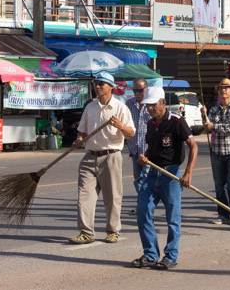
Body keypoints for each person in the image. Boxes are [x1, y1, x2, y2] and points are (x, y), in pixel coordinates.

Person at [132, 87, 198, 270]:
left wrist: (188, 173)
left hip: (171, 174)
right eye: (148, 106)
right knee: (143, 210)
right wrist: (144, 157)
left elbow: (193, 146)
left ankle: (171, 255)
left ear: (163, 103)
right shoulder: (151, 124)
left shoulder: (177, 122)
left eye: (154, 105)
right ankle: (150, 254)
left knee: (173, 218)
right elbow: (151, 149)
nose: (151, 109)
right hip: (152, 174)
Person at [69, 72, 135, 245]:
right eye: (96, 83)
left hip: (111, 156)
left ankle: (113, 231)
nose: (97, 86)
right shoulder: (90, 107)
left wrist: (120, 125)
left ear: (110, 87)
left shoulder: (120, 108)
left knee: (112, 197)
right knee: (84, 196)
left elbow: (130, 133)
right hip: (90, 156)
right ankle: (86, 232)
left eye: (101, 84)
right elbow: (82, 132)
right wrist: (79, 140)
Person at [202, 78, 230, 226]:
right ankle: (223, 215)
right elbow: (209, 127)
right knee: (219, 186)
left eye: (226, 88)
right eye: (221, 88)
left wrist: (213, 125)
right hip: (217, 151)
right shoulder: (214, 109)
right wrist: (205, 117)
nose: (223, 90)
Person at [125, 78, 151, 194]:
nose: (137, 93)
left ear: (146, 89)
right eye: (135, 91)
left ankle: (145, 205)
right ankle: (143, 203)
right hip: (135, 149)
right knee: (138, 179)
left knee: (146, 178)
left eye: (140, 90)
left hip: (148, 150)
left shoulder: (151, 104)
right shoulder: (129, 104)